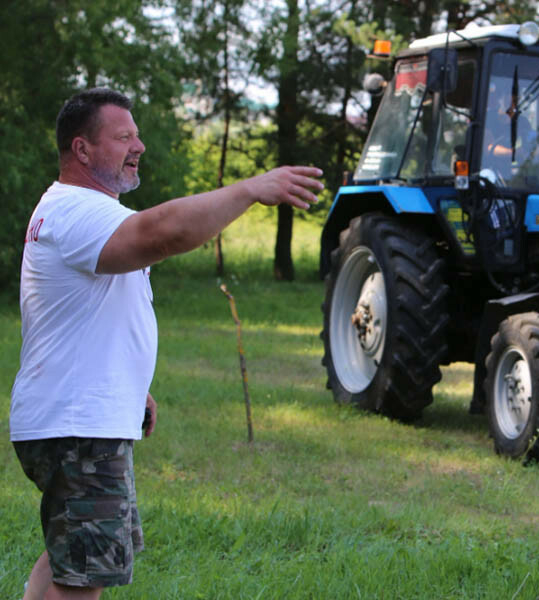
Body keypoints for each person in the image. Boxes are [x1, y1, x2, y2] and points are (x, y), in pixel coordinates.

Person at [10, 88, 324, 599]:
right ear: (82, 149)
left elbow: (86, 315)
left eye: (137, 134)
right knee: (84, 573)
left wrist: (133, 388)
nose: (140, 145)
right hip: (78, 426)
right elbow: (162, 233)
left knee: (74, 550)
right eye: (123, 136)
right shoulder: (77, 211)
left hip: (78, 417)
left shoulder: (78, 210)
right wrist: (248, 190)